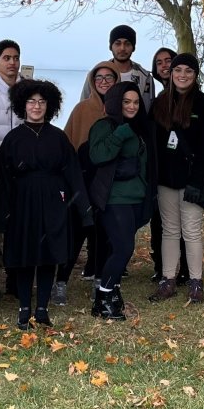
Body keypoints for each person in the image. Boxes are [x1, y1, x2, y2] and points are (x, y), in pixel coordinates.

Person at [0, 80, 92, 329]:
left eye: (42, 102)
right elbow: (5, 178)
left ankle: (42, 309)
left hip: (53, 200)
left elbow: (73, 174)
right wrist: (4, 212)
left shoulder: (58, 137)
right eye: (31, 101)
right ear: (23, 105)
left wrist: (84, 209)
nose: (37, 106)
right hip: (22, 202)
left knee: (48, 253)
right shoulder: (13, 138)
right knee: (25, 254)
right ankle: (23, 310)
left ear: (49, 106)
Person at [148, 53, 204, 304]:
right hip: (166, 179)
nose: (182, 75)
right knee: (169, 230)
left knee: (191, 231)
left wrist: (200, 178)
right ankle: (167, 279)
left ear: (195, 74)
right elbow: (154, 143)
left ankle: (196, 281)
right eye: (177, 69)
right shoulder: (160, 103)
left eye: (188, 71)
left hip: (193, 180)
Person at [87, 82, 155, 320]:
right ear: (116, 102)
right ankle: (102, 298)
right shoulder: (104, 126)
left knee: (119, 247)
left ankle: (113, 290)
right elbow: (97, 155)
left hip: (137, 196)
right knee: (124, 248)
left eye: (136, 102)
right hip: (114, 198)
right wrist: (120, 133)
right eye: (126, 101)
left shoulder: (141, 128)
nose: (132, 106)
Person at [57, 61, 123, 304]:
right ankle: (60, 281)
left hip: (110, 184)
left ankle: (99, 279)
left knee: (103, 234)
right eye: (99, 78)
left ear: (117, 81)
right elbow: (67, 143)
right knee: (76, 233)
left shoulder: (123, 111)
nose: (104, 82)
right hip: (82, 181)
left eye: (109, 77)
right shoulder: (82, 109)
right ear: (92, 83)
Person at [147, 46, 189, 284]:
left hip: (182, 170)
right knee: (159, 221)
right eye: (159, 62)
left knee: (183, 223)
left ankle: (183, 268)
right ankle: (161, 266)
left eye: (168, 61)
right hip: (159, 169)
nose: (164, 65)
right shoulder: (156, 99)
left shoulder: (189, 96)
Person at [81, 25, 155, 109]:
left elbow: (150, 111)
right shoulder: (95, 75)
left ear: (133, 47)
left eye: (127, 44)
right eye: (117, 43)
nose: (122, 48)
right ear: (111, 47)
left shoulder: (145, 77)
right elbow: (83, 107)